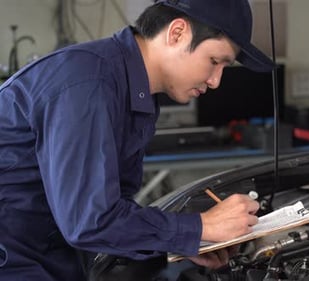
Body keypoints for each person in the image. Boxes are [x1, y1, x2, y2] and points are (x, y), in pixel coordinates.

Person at [0, 0, 274, 280]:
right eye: (215, 61)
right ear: (177, 33)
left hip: (49, 261)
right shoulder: (87, 83)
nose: (216, 81)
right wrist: (199, 227)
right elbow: (91, 222)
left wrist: (182, 240)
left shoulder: (136, 93)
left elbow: (115, 208)